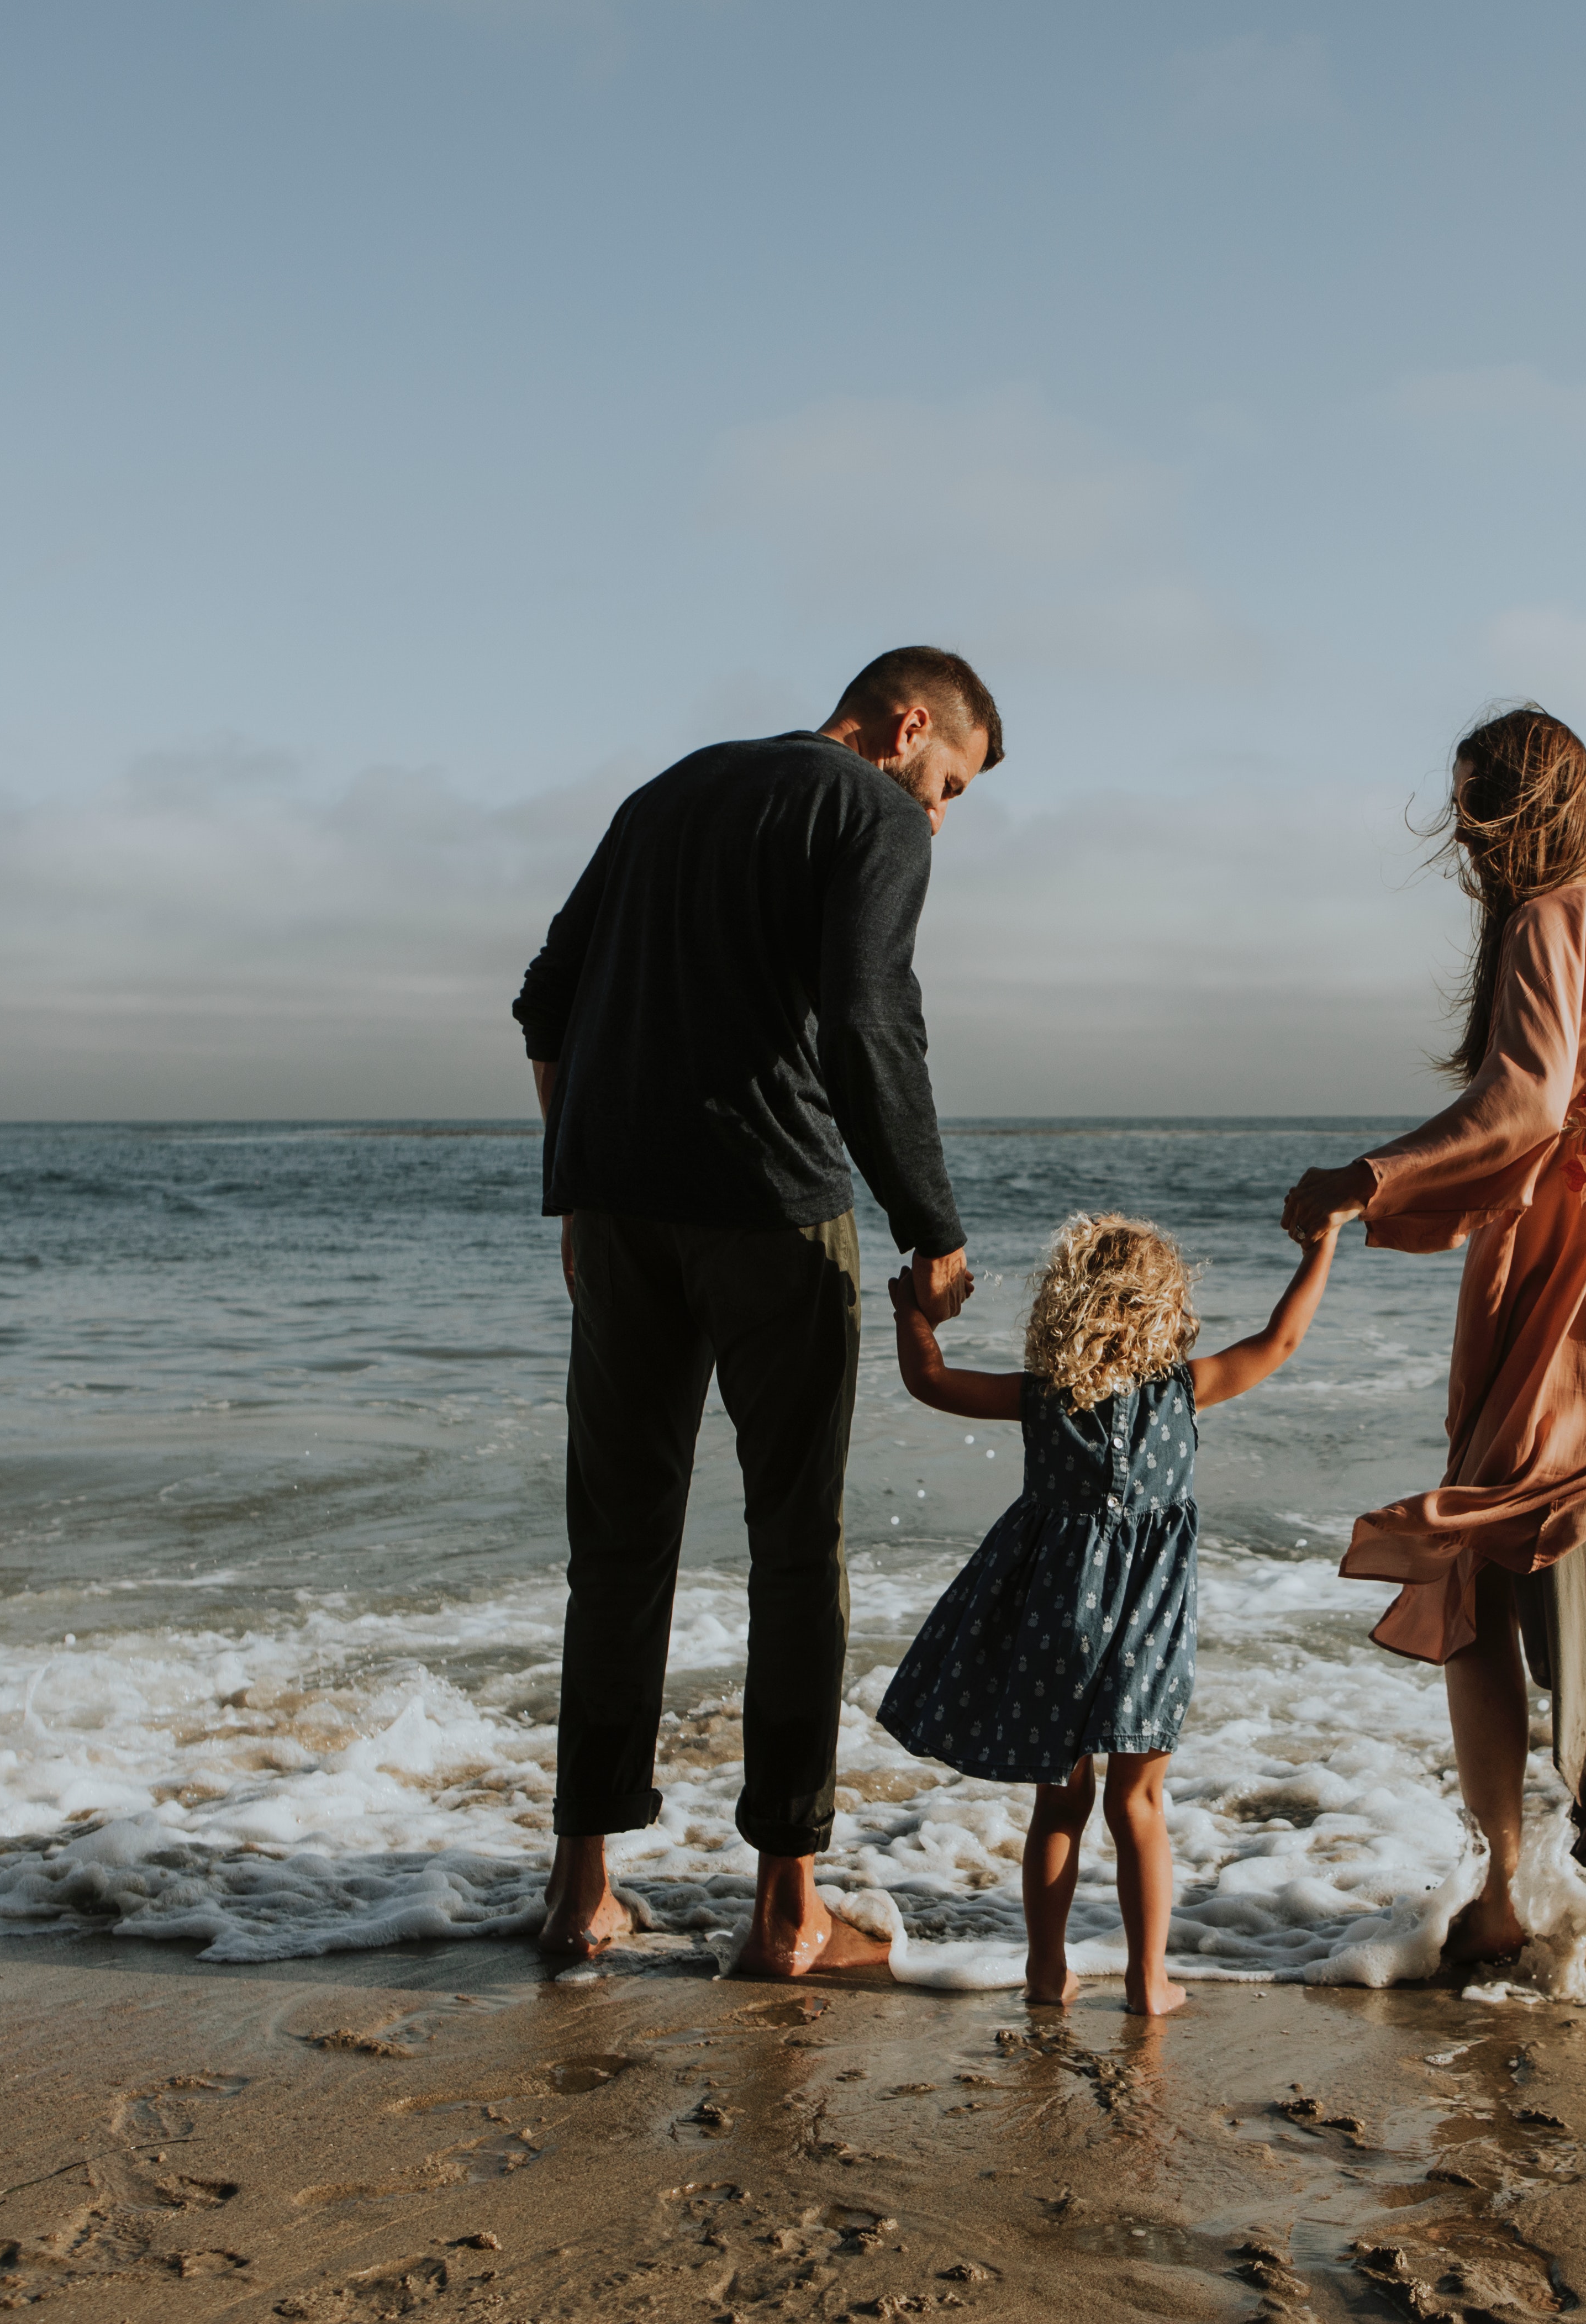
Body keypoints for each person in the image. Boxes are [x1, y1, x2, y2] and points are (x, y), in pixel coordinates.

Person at [510, 644, 1003, 1978]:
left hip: (614, 1211)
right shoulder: (874, 811)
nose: (941, 815)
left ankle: (580, 1893)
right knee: (795, 1550)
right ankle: (787, 1909)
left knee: (616, 1550)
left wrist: (578, 1185)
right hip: (773, 1209)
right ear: (907, 727)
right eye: (950, 781)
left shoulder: (669, 792)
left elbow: (545, 996)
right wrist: (931, 1222)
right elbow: (866, 1016)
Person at [1280, 705, 1586, 1972]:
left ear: (1502, 819)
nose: (1469, 856)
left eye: (1474, 822)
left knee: (1474, 1578)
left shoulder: (1545, 921)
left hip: (1559, 1321)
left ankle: (1507, 1893)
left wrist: (1367, 1178)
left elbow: (1522, 1101)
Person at [876, 1211, 1339, 2015]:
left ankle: (1047, 1974)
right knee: (1139, 1804)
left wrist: (911, 1315)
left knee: (1060, 1802)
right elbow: (1283, 1340)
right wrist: (1321, 1248)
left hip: (1055, 1619)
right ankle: (1146, 1981)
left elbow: (931, 1382)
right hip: (1148, 1628)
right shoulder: (1186, 1389)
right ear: (1165, 1306)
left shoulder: (1043, 1397)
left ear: (1064, 1306)